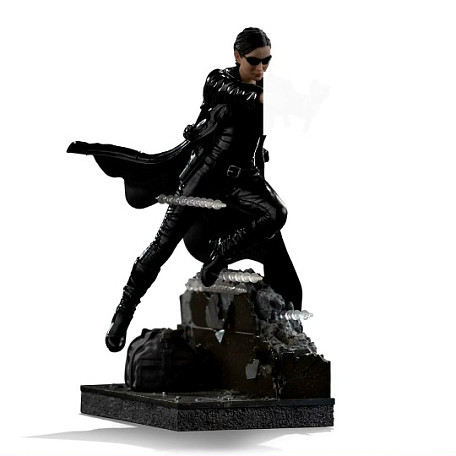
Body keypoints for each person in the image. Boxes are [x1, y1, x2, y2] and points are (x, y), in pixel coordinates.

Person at [68, 27, 302, 352]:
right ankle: (123, 313)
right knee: (160, 248)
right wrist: (264, 97)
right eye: (254, 61)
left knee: (277, 214)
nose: (261, 68)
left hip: (242, 181)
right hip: (202, 179)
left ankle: (222, 254)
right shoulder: (218, 80)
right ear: (237, 56)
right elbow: (237, 95)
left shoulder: (264, 88)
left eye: (267, 61)